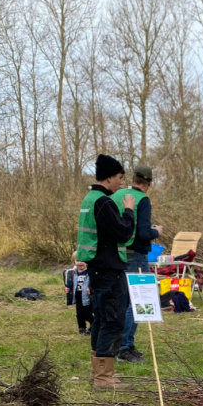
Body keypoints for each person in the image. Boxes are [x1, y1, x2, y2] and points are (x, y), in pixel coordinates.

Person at [76, 154, 135, 390]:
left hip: (97, 269)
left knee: (100, 319)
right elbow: (123, 232)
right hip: (109, 270)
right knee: (112, 320)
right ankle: (104, 378)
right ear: (109, 177)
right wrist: (129, 210)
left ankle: (98, 373)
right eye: (120, 178)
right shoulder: (103, 202)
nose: (121, 183)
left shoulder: (89, 199)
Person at [111, 165, 163, 364]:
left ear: (132, 178)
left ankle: (116, 346)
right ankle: (125, 348)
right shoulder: (143, 200)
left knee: (121, 302)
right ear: (149, 183)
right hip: (136, 255)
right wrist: (156, 231)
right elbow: (143, 232)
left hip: (116, 255)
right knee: (139, 302)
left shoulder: (117, 195)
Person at [64, 251, 93, 335]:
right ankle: (82, 329)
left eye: (83, 260)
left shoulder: (90, 272)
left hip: (88, 298)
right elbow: (69, 284)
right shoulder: (72, 273)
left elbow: (95, 283)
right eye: (78, 260)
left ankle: (94, 325)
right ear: (74, 261)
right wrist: (67, 289)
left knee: (88, 314)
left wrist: (91, 289)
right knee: (79, 315)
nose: (80, 262)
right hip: (78, 297)